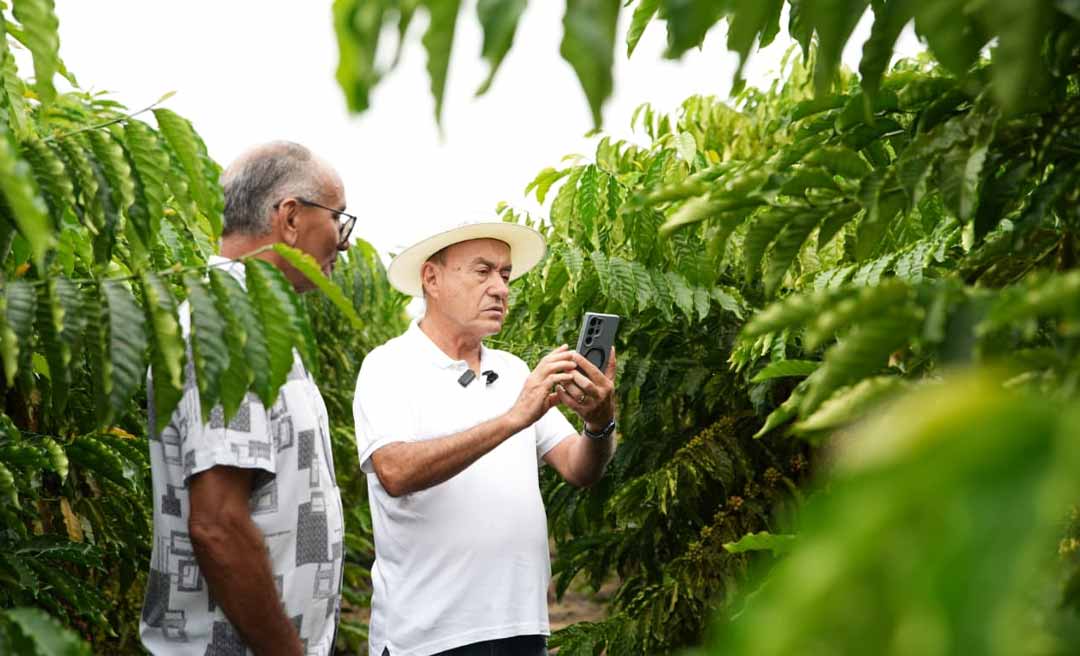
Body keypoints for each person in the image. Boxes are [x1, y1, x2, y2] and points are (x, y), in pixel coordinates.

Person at [353, 222, 619, 656]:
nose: (500, 288)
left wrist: (599, 421)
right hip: (428, 639)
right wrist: (513, 418)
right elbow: (395, 471)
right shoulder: (388, 367)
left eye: (506, 274)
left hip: (521, 627)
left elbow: (579, 468)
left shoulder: (515, 370)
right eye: (482, 272)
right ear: (432, 278)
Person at [140, 141, 356, 656]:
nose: (343, 243)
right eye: (339, 220)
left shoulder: (255, 321)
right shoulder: (228, 325)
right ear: (289, 218)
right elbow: (218, 524)